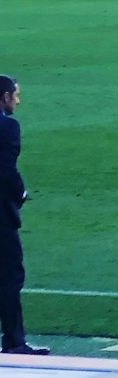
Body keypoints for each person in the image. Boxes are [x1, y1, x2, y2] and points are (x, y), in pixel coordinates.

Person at [1, 75, 45, 356]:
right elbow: (5, 170)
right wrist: (21, 195)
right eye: (15, 95)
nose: (17, 100)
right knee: (9, 276)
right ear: (4, 97)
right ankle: (14, 342)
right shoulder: (6, 127)